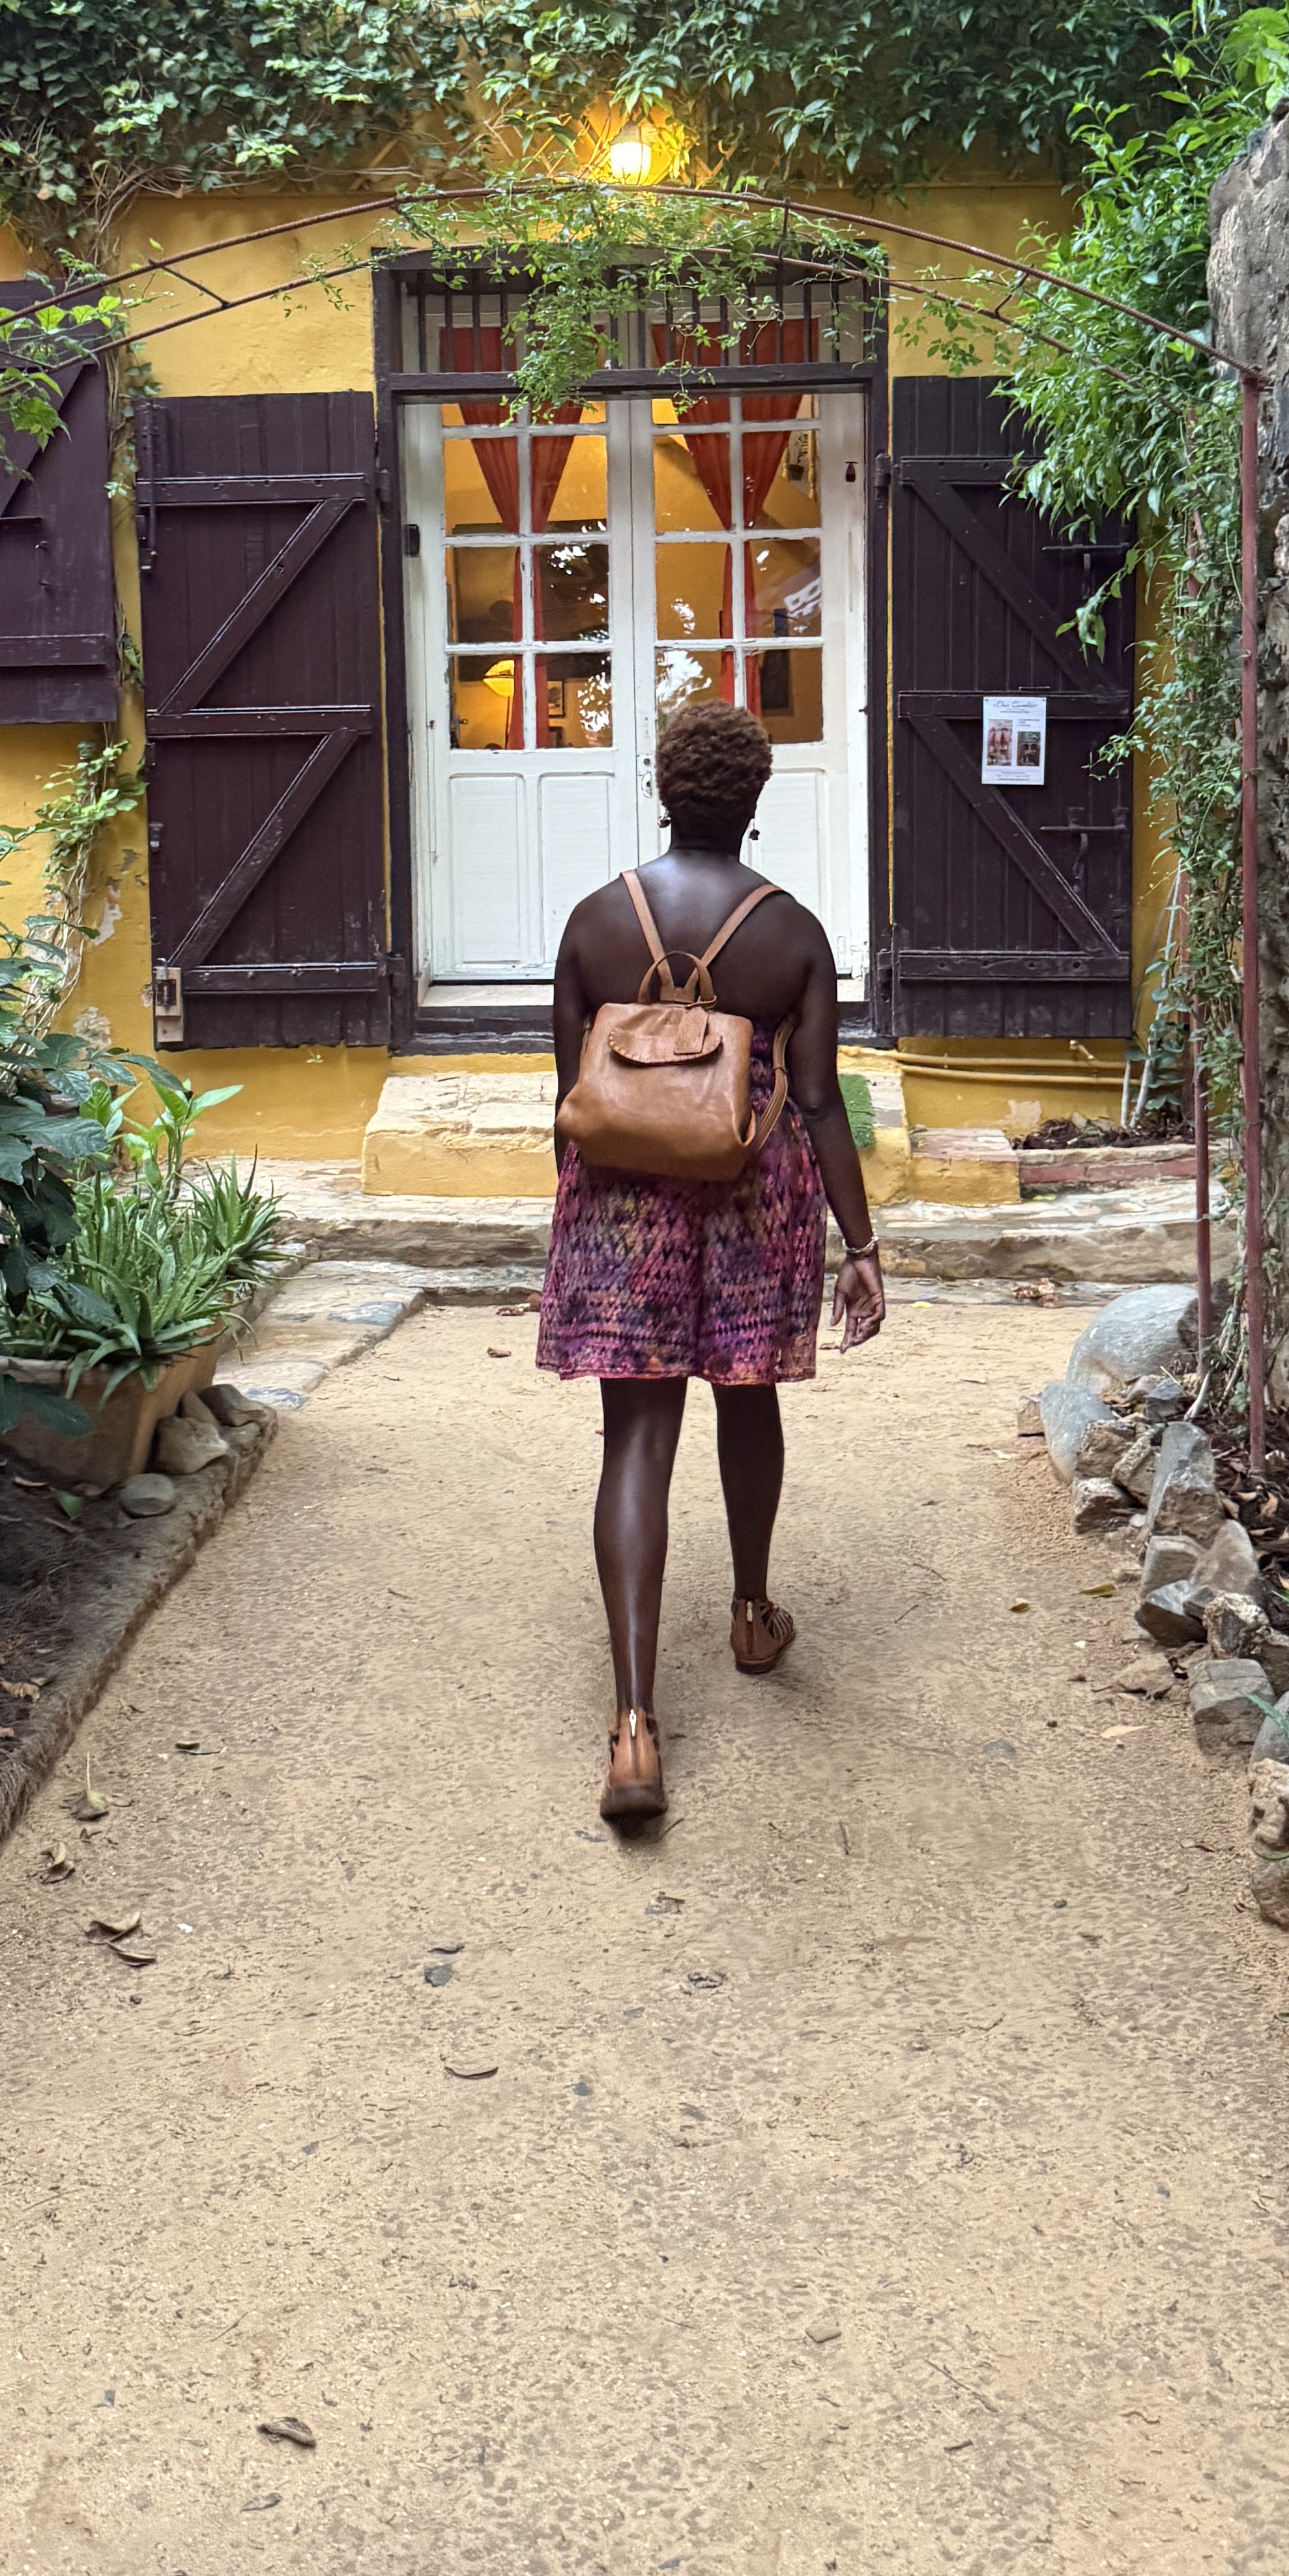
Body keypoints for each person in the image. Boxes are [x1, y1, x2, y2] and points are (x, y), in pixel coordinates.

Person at [536, 698, 886, 1823]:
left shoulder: (594, 922)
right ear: (755, 799)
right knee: (747, 1400)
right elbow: (820, 1101)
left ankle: (635, 1728)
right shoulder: (795, 935)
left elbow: (570, 1100)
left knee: (636, 1438)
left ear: (662, 788)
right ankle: (750, 1616)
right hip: (753, 1197)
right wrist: (861, 1245)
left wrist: (586, 1220)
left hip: (621, 1208)